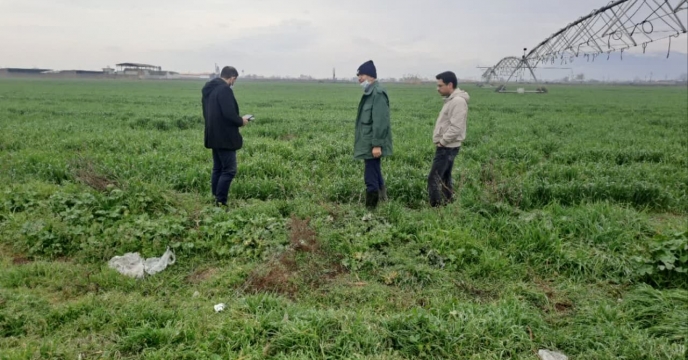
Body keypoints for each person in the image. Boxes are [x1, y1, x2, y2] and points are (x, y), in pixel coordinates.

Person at [201, 66, 252, 207]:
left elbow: (207, 113)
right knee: (229, 170)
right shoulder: (224, 90)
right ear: (232, 78)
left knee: (218, 168)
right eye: (234, 80)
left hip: (212, 133)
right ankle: (221, 202)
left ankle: (215, 197)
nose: (233, 83)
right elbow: (229, 114)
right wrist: (241, 121)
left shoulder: (209, 90)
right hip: (225, 136)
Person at [354, 60, 393, 210]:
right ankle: (383, 202)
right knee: (375, 170)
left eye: (361, 75)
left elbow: (380, 121)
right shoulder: (370, 92)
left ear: (370, 76)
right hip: (368, 141)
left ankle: (370, 209)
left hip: (372, 143)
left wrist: (377, 144)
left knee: (370, 175)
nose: (359, 79)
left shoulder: (377, 93)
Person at [428, 71, 470, 207]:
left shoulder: (457, 101)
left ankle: (436, 208)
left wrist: (442, 142)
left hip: (447, 146)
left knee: (433, 178)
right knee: (445, 177)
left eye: (440, 85)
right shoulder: (452, 99)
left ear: (450, 85)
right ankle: (448, 203)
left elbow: (456, 127)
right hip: (449, 145)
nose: (437, 88)